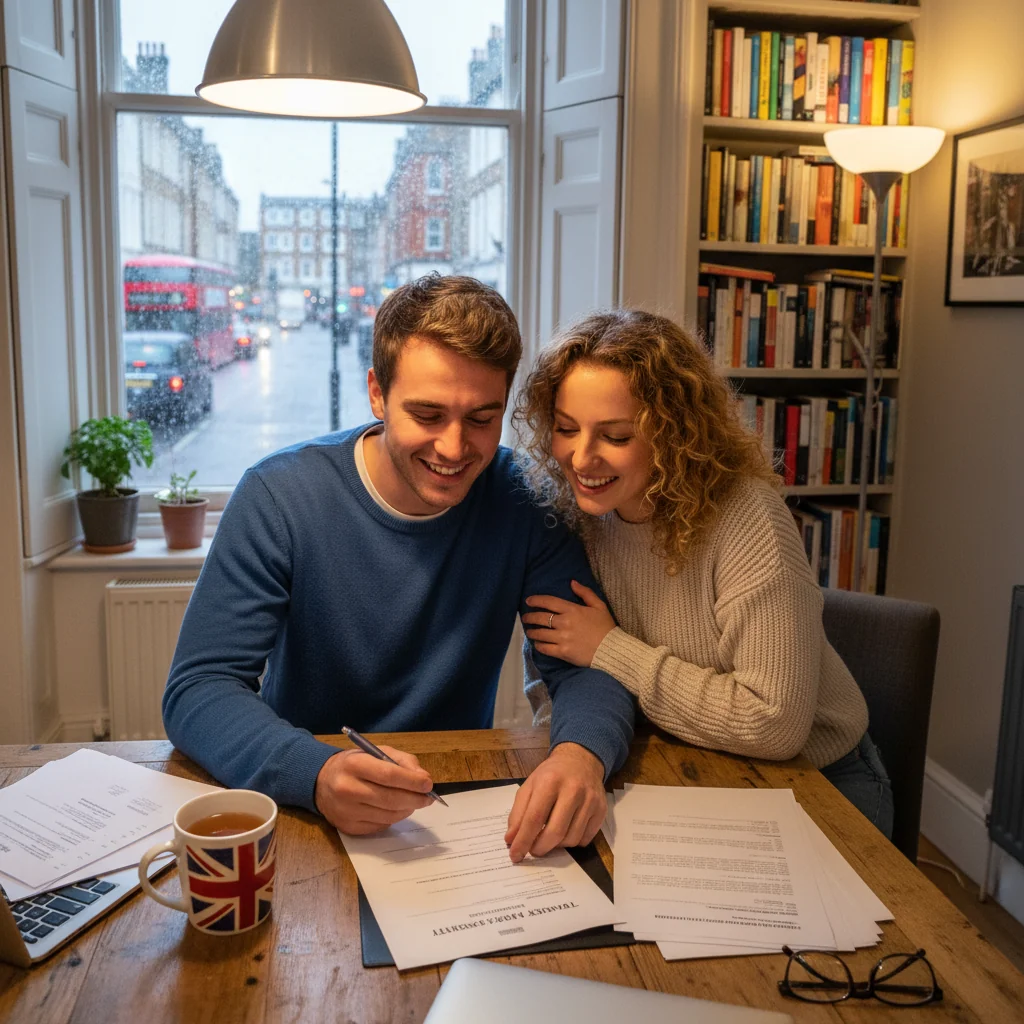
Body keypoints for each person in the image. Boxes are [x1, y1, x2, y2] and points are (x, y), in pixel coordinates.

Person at [163, 276, 634, 862]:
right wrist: (315, 772)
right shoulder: (278, 496)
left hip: (454, 816)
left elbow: (589, 666)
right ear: (377, 395)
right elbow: (198, 689)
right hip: (302, 810)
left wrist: (581, 753)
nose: (455, 448)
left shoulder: (524, 499)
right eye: (428, 414)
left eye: (482, 418)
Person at [514, 309, 894, 837]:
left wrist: (610, 648)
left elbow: (775, 725)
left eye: (616, 436)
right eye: (565, 429)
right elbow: (556, 672)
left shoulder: (747, 518)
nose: (581, 458)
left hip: (819, 780)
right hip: (688, 766)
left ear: (672, 434)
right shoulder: (575, 515)